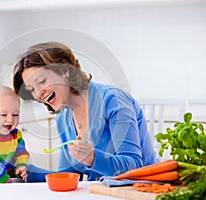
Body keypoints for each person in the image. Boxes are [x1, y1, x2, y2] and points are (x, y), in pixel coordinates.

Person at [12, 41, 159, 182]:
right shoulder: (63, 116)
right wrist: (28, 173)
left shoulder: (113, 100)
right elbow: (68, 174)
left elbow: (134, 166)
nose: (38, 94)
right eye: (31, 89)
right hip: (99, 192)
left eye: (42, 81)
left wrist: (93, 158)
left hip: (143, 189)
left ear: (65, 72)